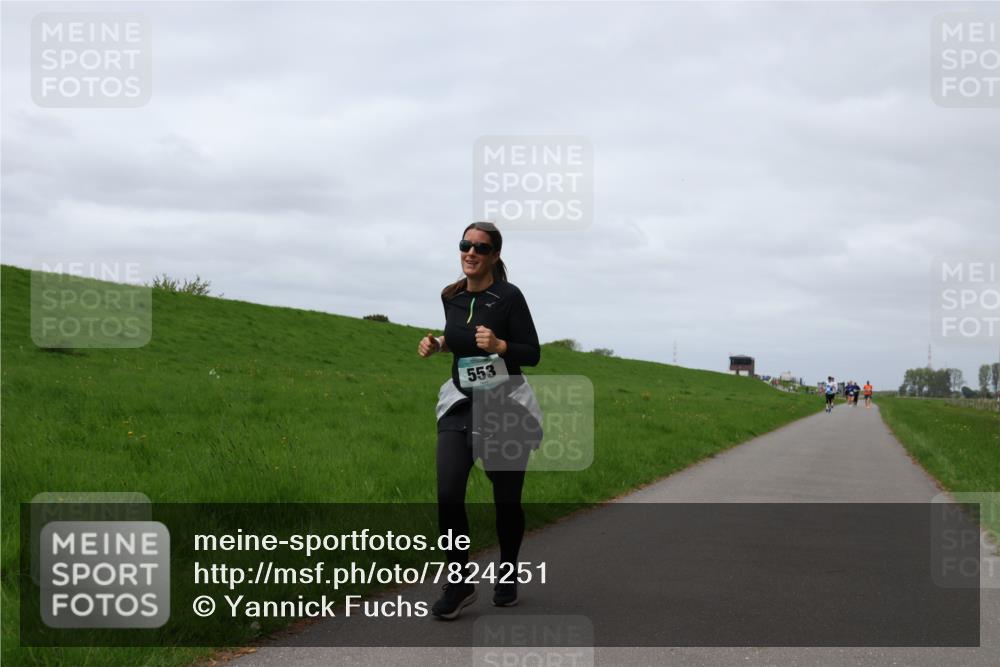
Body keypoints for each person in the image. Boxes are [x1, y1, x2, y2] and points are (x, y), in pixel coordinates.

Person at [417, 221, 542, 620]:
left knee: (506, 501)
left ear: (494, 255)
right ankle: (459, 581)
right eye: (465, 245)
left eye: (481, 248)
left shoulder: (509, 297)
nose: (471, 252)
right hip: (460, 402)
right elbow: (458, 338)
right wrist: (438, 344)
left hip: (505, 405)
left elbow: (532, 353)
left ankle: (507, 572)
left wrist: (502, 345)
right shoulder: (450, 296)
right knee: (449, 492)